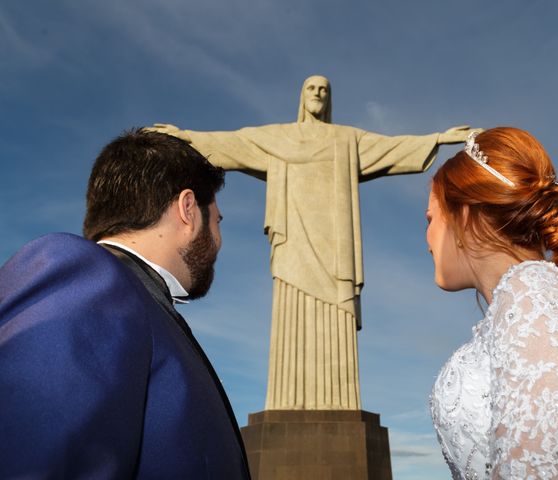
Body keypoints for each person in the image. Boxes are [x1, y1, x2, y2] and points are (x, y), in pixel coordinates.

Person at [150, 75, 477, 411]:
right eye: (312, 88)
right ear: (302, 97)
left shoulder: (344, 140)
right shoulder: (280, 137)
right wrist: (184, 139)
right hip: (293, 243)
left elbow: (389, 147)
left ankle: (339, 402)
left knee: (335, 317)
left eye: (324, 89)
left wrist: (437, 139)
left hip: (335, 247)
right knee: (292, 313)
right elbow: (233, 144)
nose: (318, 94)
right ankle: (287, 401)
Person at [0, 129, 250, 479]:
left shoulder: (141, 303)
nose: (219, 239)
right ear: (188, 209)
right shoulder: (83, 278)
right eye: (218, 221)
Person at [426, 127, 558, 479]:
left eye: (430, 219)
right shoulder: (539, 297)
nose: (428, 239)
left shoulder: (534, 293)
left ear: (463, 214)